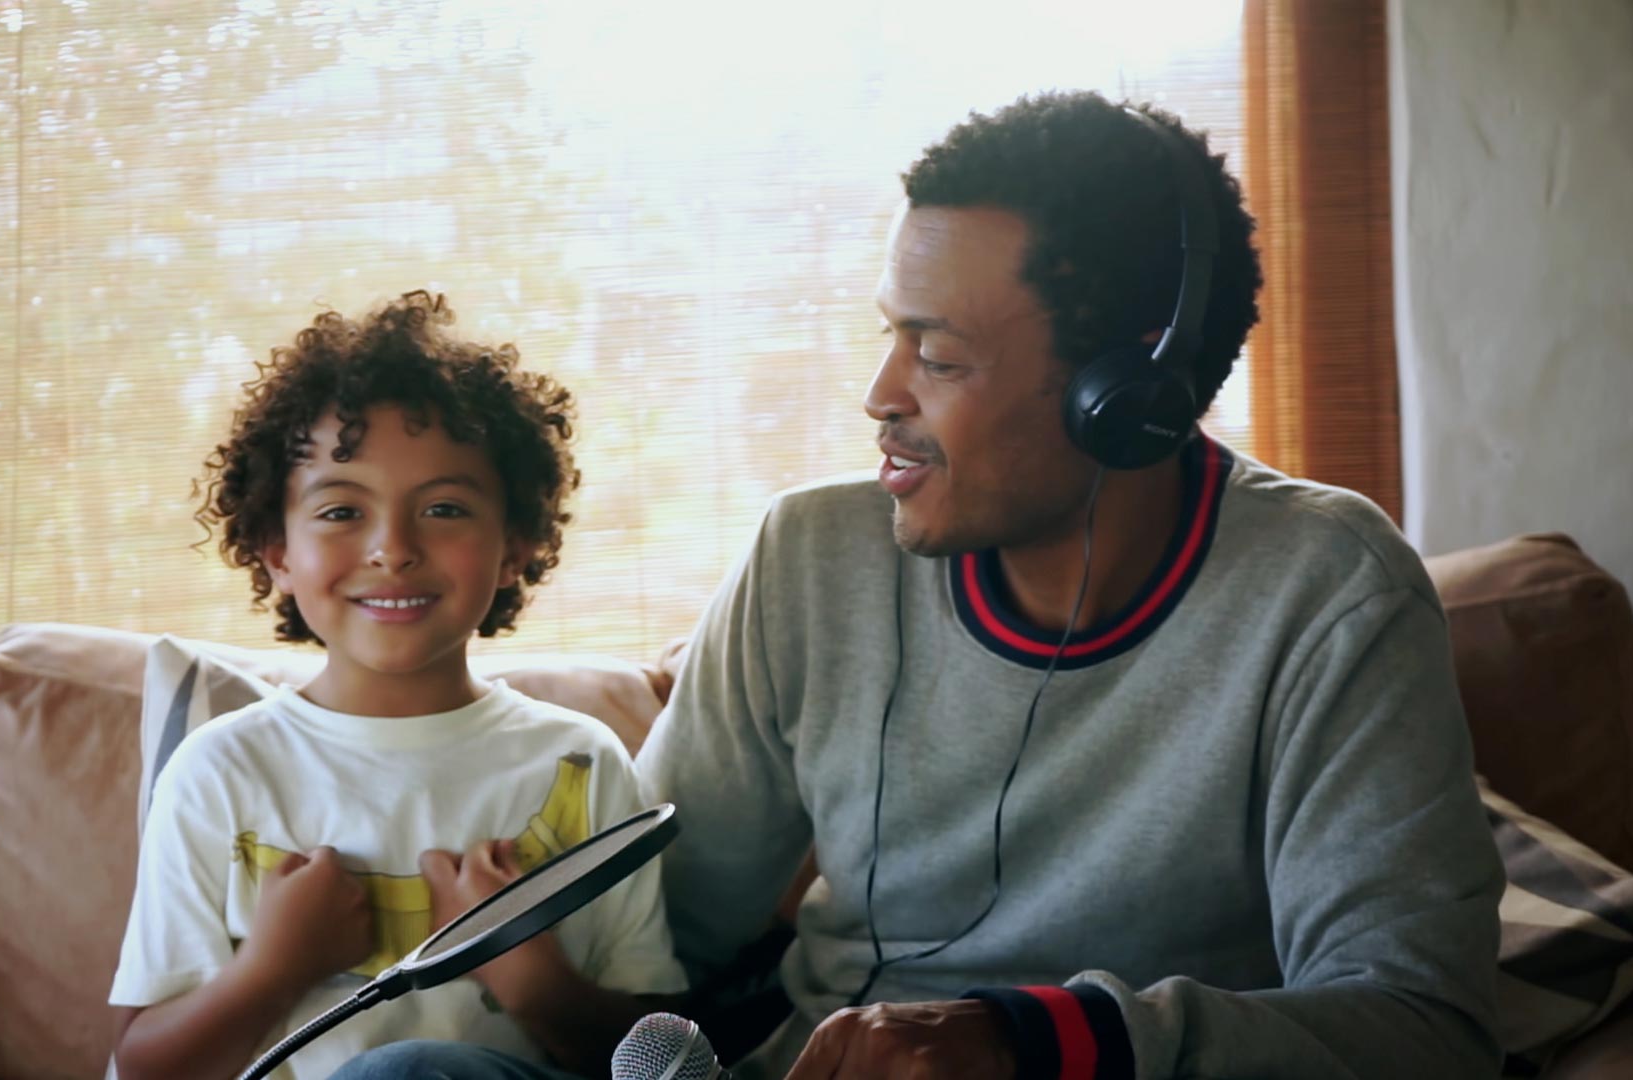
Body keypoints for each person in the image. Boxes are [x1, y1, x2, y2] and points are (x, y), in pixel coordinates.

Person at [635, 91, 1505, 1079]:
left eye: (940, 355)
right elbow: (650, 934)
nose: (882, 394)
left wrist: (1031, 1041)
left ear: (1124, 395)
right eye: (892, 335)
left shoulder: (1328, 593)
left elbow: (1426, 1032)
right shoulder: (808, 557)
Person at [107, 292, 685, 1080]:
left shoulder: (578, 766)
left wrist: (529, 978)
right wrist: (273, 968)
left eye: (444, 508)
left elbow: (655, 1062)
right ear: (277, 550)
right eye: (343, 510)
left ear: (515, 544)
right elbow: (144, 1069)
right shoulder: (220, 773)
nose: (393, 548)